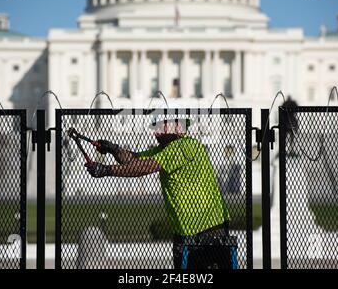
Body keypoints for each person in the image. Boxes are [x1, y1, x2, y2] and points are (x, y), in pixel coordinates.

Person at [85, 113, 234, 269]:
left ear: (179, 127)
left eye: (162, 127)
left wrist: (106, 170)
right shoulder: (166, 150)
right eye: (155, 128)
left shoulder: (185, 146)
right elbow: (134, 161)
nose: (156, 132)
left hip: (208, 228)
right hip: (187, 229)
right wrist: (113, 149)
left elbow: (144, 167)